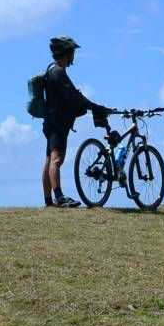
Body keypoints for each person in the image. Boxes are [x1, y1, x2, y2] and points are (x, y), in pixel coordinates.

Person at [40, 35, 107, 208]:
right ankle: (59, 197)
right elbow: (75, 97)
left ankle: (49, 200)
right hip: (57, 123)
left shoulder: (51, 70)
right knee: (56, 159)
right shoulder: (58, 73)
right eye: (72, 53)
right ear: (66, 53)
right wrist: (95, 106)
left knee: (49, 159)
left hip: (51, 122)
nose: (73, 57)